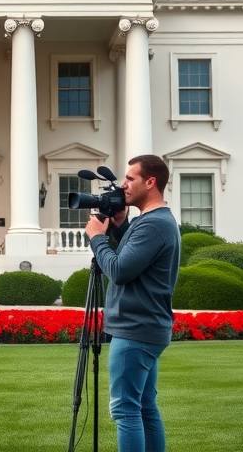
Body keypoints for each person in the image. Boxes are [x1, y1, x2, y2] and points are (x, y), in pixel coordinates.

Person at [84, 154, 181, 452]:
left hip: (135, 330)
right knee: (144, 406)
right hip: (146, 327)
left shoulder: (153, 225)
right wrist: (122, 226)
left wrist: (97, 237)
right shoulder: (153, 222)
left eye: (130, 178)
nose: (123, 185)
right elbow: (136, 260)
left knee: (125, 409)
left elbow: (120, 270)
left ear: (150, 182)